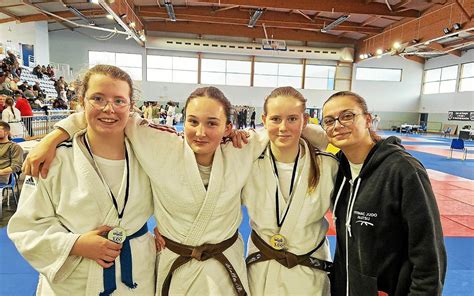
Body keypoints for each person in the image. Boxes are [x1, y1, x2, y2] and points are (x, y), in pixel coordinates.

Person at [23, 86, 328, 296]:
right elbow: (110, 114)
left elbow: (289, 129)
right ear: (184, 121)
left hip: (225, 263)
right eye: (193, 121)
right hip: (175, 262)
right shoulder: (160, 143)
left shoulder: (243, 147)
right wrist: (55, 134)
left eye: (212, 123)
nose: (200, 131)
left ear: (227, 126)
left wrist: (310, 126)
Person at [8, 65, 157, 295]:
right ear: (81, 102)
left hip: (136, 274)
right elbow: (26, 227)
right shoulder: (53, 159)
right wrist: (76, 245)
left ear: (131, 107)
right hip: (73, 281)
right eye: (98, 98)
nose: (109, 109)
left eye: (119, 101)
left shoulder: (148, 154)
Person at [321, 91, 446, 295]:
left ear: (368, 119)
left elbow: (429, 255)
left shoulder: (403, 170)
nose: (337, 125)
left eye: (347, 116)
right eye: (329, 120)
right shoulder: (340, 170)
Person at [242, 87, 337, 295]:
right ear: (264, 119)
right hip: (261, 271)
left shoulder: (328, 166)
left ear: (304, 120)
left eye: (292, 119)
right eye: (275, 119)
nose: (283, 127)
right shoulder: (246, 163)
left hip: (310, 272)